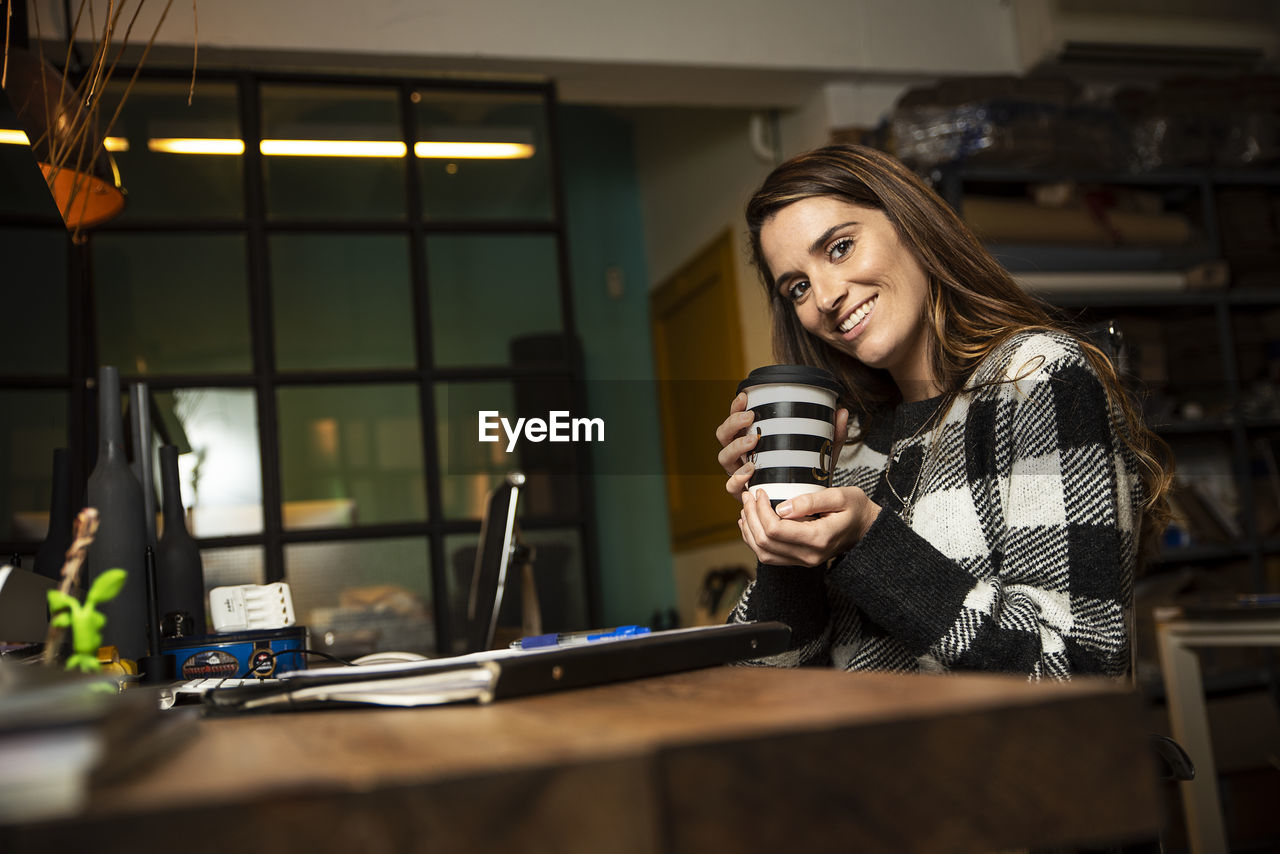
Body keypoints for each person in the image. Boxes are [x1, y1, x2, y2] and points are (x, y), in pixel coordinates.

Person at [715, 144, 1171, 680]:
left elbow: (1080, 668)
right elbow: (766, 681)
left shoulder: (1037, 378)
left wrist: (870, 540)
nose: (827, 296)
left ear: (910, 224)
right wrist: (782, 546)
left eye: (839, 248)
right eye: (797, 287)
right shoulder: (845, 442)